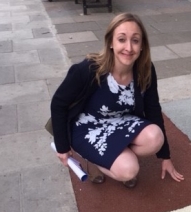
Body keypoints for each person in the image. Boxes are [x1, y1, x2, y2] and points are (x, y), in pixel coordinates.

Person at [50, 12, 184, 188]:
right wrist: (62, 147)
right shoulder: (89, 69)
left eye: (135, 40)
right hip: (88, 126)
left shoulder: (145, 70)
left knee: (155, 138)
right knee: (128, 170)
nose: (128, 47)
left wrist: (165, 157)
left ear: (142, 45)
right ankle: (97, 160)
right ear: (111, 42)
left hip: (121, 122)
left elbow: (153, 109)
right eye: (122, 39)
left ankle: (113, 155)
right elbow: (58, 103)